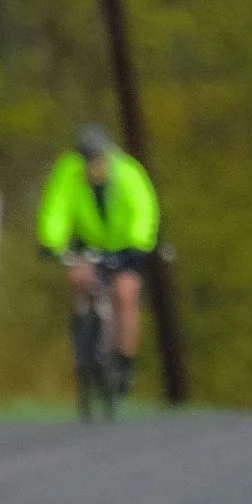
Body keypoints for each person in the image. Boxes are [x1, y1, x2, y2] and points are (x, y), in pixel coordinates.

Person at [36, 124, 160, 394]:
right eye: (87, 160)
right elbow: (56, 208)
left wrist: (138, 244)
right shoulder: (69, 171)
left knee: (125, 293)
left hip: (126, 246)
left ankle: (125, 363)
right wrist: (50, 242)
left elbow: (144, 209)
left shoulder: (127, 173)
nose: (93, 167)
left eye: (98, 159)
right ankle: (85, 339)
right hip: (91, 244)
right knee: (79, 277)